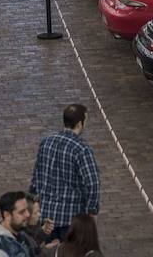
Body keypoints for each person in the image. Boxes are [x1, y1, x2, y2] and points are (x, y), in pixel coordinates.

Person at [29, 104, 100, 242]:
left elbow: (36, 175)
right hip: (72, 218)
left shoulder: (46, 142)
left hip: (47, 216)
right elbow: (93, 183)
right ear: (80, 123)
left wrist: (34, 200)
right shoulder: (82, 149)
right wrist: (92, 210)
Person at [0, 191, 33, 257]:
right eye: (22, 212)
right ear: (7, 215)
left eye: (27, 209)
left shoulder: (20, 233)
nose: (28, 214)